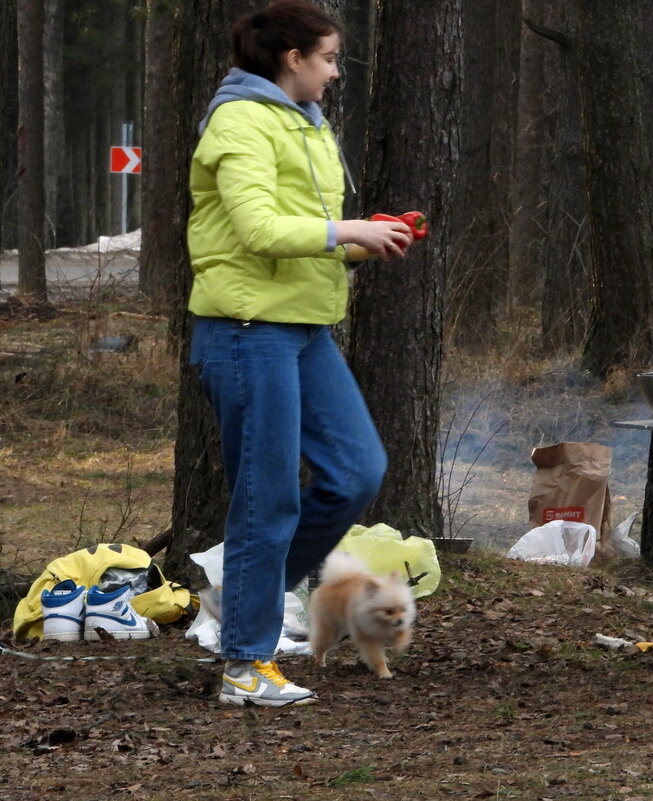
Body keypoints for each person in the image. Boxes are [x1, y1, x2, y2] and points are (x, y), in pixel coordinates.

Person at [186, 0, 415, 706]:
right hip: (246, 329)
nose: (336, 72)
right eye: (329, 58)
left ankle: (247, 592)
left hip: (303, 326)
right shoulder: (240, 121)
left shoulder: (302, 123)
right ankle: (245, 664)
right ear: (293, 59)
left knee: (355, 469)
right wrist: (346, 227)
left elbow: (301, 231)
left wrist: (365, 238)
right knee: (268, 498)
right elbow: (256, 227)